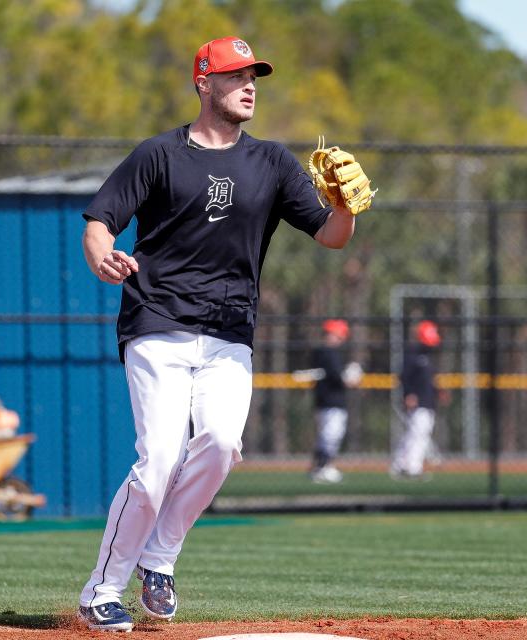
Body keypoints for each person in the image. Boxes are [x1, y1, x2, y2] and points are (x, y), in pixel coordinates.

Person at [77, 36, 358, 632]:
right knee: (157, 461)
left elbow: (332, 236)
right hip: (157, 322)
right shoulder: (159, 155)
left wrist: (345, 206)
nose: (249, 84)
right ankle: (102, 589)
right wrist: (101, 255)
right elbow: (102, 221)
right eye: (235, 75)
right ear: (204, 82)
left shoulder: (274, 163)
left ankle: (160, 559)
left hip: (230, 332)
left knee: (223, 444)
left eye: (253, 75)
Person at [308, 319, 362, 484]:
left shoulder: (325, 352)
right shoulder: (328, 353)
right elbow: (339, 378)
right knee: (331, 435)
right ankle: (323, 467)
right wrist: (350, 377)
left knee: (327, 435)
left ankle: (320, 466)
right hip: (331, 401)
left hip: (326, 400)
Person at [390, 320, 441, 479]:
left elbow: (429, 380)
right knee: (418, 435)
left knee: (415, 434)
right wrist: (409, 394)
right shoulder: (412, 354)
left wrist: (439, 392)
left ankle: (400, 464)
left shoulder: (427, 356)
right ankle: (413, 467)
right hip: (418, 403)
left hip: (428, 402)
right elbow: (404, 377)